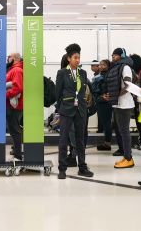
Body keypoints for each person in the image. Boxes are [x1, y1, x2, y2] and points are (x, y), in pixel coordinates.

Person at [54, 44, 94, 179]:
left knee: (80, 140)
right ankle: (62, 169)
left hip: (81, 110)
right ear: (69, 58)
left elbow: (84, 91)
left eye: (79, 57)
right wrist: (59, 110)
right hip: (66, 109)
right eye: (75, 58)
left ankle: (82, 167)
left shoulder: (83, 73)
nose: (78, 60)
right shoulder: (62, 73)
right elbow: (58, 93)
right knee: (63, 140)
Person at [104, 47, 135, 169]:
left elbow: (128, 85)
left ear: (121, 56)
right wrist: (111, 96)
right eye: (112, 56)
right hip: (118, 103)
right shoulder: (117, 67)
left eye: (115, 55)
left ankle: (129, 158)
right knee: (121, 131)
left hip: (125, 104)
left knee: (124, 131)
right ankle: (126, 156)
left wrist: (115, 95)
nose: (113, 58)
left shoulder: (125, 67)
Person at [6, 53, 24, 160]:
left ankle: (18, 155)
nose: (8, 59)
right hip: (13, 105)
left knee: (15, 129)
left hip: (14, 106)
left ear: (14, 59)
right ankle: (16, 151)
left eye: (9, 57)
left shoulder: (16, 70)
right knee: (14, 129)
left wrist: (4, 94)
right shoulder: (15, 69)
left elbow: (17, 88)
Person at [93, 59, 113, 151]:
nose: (101, 66)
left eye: (103, 65)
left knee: (107, 123)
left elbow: (107, 90)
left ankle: (107, 143)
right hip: (100, 101)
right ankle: (106, 142)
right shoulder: (99, 76)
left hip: (106, 103)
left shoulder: (108, 76)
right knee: (105, 123)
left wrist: (104, 96)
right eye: (100, 64)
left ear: (108, 66)